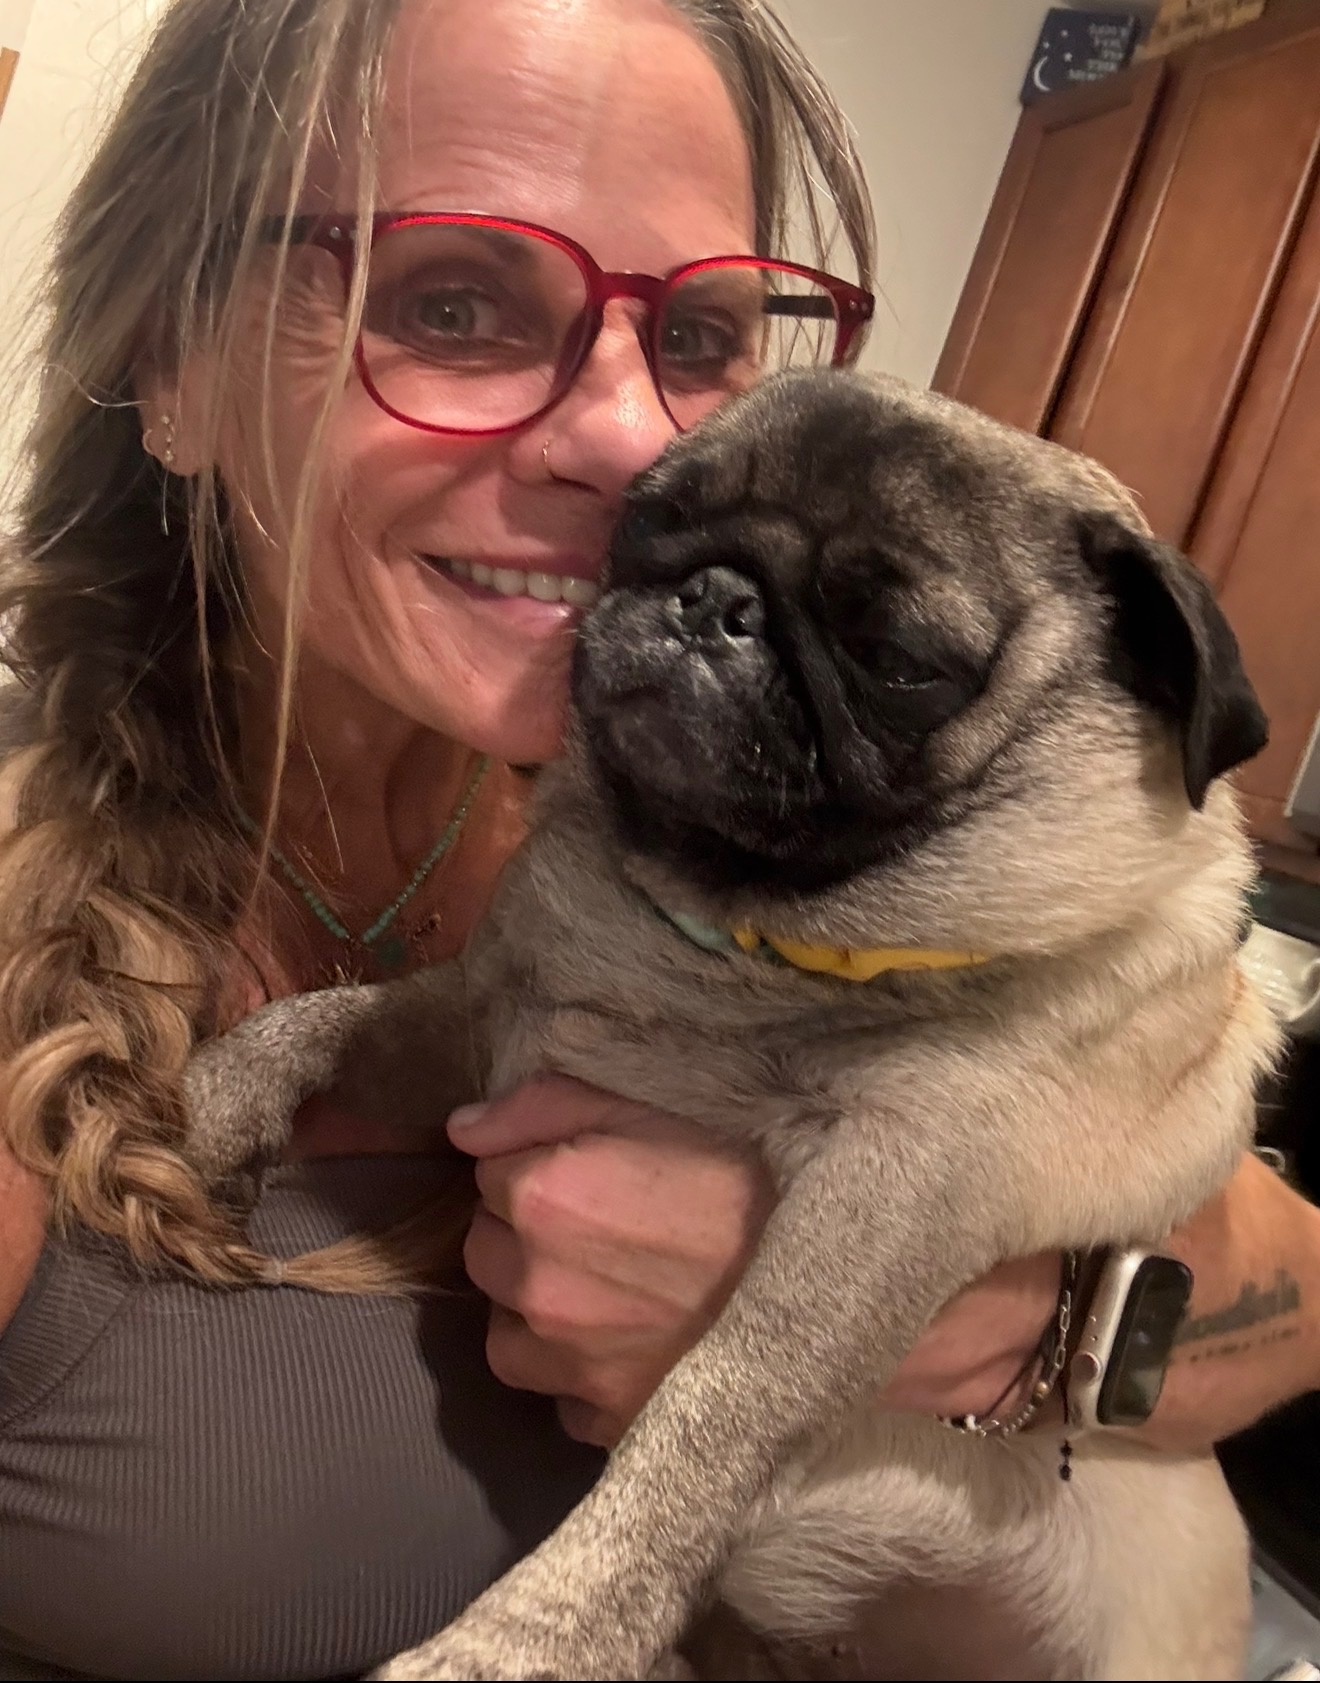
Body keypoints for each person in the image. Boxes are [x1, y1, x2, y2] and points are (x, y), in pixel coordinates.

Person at [0, 0, 1315, 1675]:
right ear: (162, 370)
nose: (632, 438)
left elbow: (1297, 1302)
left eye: (697, 335)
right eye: (455, 304)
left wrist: (969, 1327)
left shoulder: (839, 869)